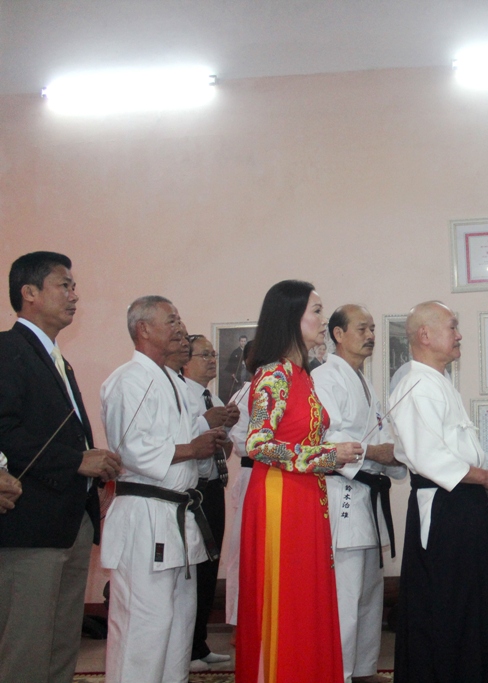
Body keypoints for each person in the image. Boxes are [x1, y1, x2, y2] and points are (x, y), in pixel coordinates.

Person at [0, 252, 122, 683]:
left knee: (61, 641)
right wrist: (76, 461)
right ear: (30, 293)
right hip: (30, 523)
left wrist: (94, 466)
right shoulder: (8, 349)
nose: (74, 295)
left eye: (74, 286)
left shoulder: (56, 358)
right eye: (64, 285)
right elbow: (5, 430)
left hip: (70, 519)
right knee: (27, 645)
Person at [235, 280, 363, 683]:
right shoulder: (274, 374)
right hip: (280, 499)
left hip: (306, 495)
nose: (324, 320)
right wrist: (328, 456)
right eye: (317, 311)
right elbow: (257, 444)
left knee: (308, 597)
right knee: (286, 601)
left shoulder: (302, 374)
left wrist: (328, 454)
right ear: (291, 317)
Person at [100, 296, 228, 683]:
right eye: (171, 321)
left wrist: (208, 442)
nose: (180, 328)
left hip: (179, 514)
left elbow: (186, 445)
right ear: (143, 329)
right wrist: (192, 448)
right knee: (144, 625)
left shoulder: (173, 382)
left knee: (177, 624)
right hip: (145, 514)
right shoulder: (129, 380)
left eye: (179, 320)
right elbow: (130, 449)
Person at [390, 301, 488, 683]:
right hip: (444, 509)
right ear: (425, 335)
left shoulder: (438, 382)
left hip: (463, 503)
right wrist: (484, 477)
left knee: (476, 601)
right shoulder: (416, 385)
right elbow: (430, 458)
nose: (459, 336)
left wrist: (483, 481)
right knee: (450, 605)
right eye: (452, 327)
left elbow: (456, 449)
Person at [313, 305, 407, 683]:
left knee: (369, 590)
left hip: (368, 494)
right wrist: (374, 453)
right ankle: (340, 674)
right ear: (338, 334)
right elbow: (326, 436)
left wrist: (395, 456)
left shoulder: (363, 382)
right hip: (342, 492)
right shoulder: (324, 377)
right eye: (362, 328)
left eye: (372, 329)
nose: (370, 335)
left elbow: (382, 434)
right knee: (345, 594)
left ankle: (364, 669)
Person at [182, 334, 240, 671]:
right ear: (186, 360)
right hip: (193, 490)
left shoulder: (213, 398)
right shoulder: (180, 394)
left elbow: (224, 450)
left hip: (214, 487)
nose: (212, 360)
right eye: (204, 355)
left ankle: (200, 644)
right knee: (193, 569)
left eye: (214, 354)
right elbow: (182, 439)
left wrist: (226, 430)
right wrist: (208, 422)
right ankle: (187, 648)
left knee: (209, 567)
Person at [223, 342, 253, 629]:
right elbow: (241, 443)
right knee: (244, 550)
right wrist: (277, 448)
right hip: (253, 475)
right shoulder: (244, 394)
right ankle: (239, 621)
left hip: (283, 477)